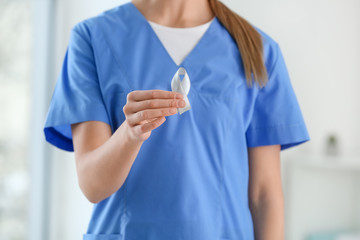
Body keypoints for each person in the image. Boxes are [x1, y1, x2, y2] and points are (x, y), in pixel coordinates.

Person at [43, 0, 311, 239]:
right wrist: (130, 134)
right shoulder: (93, 38)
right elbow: (93, 185)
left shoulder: (257, 50)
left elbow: (264, 196)